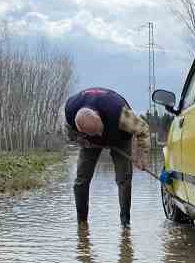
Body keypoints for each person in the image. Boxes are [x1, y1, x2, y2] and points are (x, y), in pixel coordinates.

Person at [62, 87, 150, 226]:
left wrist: (141, 157)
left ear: (99, 117)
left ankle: (125, 224)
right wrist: (84, 140)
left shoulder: (119, 113)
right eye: (95, 134)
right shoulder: (71, 109)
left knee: (124, 179)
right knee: (81, 180)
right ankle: (82, 224)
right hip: (88, 142)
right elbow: (70, 134)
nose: (99, 135)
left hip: (119, 136)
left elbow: (143, 129)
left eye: (99, 131)